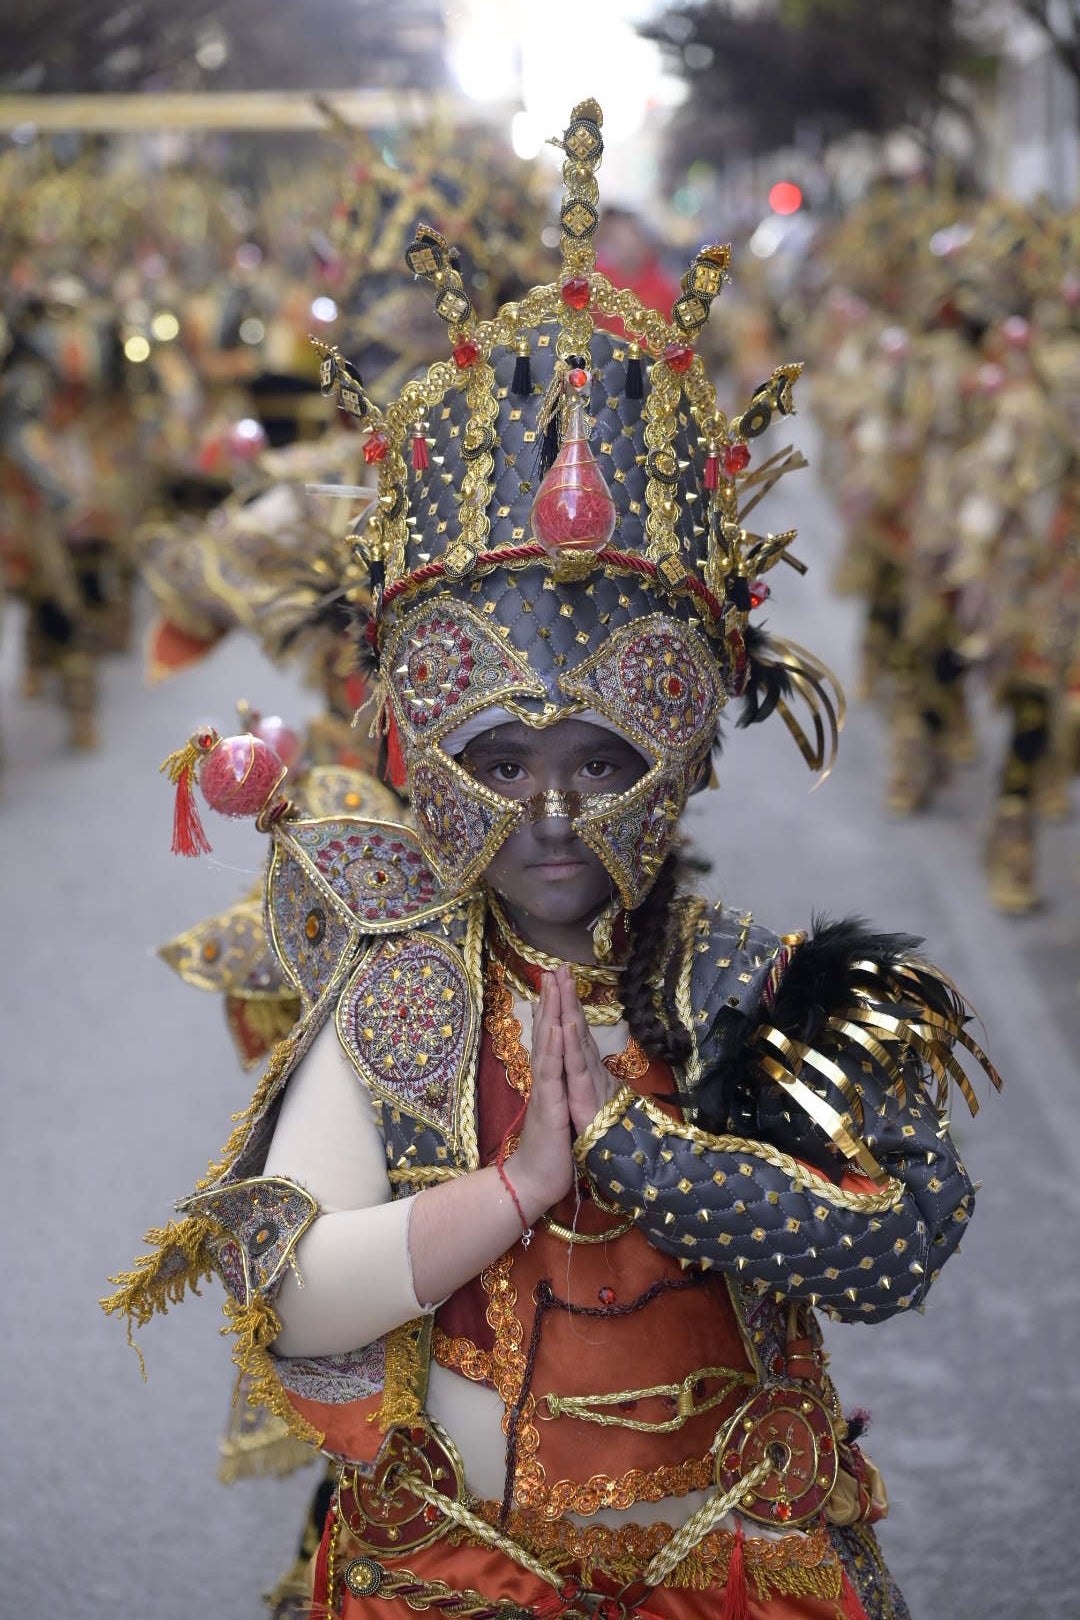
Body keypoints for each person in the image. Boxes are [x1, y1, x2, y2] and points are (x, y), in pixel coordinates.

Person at [106, 99, 999, 1620]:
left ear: (685, 759)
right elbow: (299, 1281)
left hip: (730, 1564)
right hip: (454, 1570)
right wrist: (520, 1187)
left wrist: (634, 1153)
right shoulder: (409, 978)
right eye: (502, 765)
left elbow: (898, 1233)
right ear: (424, 755)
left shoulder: (736, 980)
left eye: (604, 764)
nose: (554, 816)